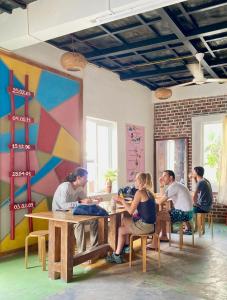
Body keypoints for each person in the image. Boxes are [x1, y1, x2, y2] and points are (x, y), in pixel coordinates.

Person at [106, 172, 156, 264]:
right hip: (151, 225)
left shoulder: (139, 192)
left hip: (144, 226)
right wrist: (124, 202)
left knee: (121, 230)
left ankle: (117, 255)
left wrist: (121, 200)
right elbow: (138, 208)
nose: (135, 181)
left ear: (141, 182)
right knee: (124, 219)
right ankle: (127, 246)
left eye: (136, 179)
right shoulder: (149, 192)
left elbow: (130, 211)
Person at [52, 167, 99, 253]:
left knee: (94, 220)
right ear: (78, 178)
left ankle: (94, 250)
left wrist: (95, 199)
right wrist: (80, 202)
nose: (86, 180)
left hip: (71, 213)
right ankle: (82, 253)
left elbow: (85, 200)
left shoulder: (79, 188)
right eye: (85, 178)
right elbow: (63, 206)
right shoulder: (65, 186)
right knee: (79, 223)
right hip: (59, 213)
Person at [152, 170, 193, 246]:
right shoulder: (176, 185)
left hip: (183, 214)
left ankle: (154, 243)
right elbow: (163, 197)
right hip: (189, 213)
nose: (162, 178)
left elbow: (160, 201)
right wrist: (161, 186)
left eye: (165, 176)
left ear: (170, 177)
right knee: (163, 213)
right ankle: (164, 236)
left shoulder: (173, 187)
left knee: (158, 216)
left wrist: (149, 200)